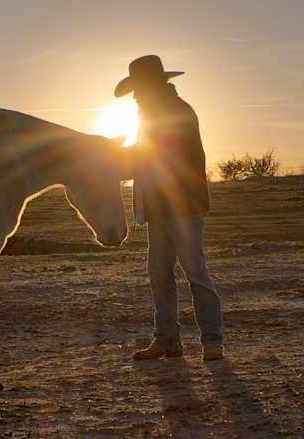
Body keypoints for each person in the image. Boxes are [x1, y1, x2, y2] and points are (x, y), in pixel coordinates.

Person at [115, 55, 225, 361]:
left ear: (153, 86)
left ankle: (212, 341)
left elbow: (156, 156)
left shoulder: (176, 112)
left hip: (183, 207)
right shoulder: (153, 115)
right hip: (160, 208)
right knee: (159, 273)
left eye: (139, 88)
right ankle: (167, 340)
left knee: (194, 272)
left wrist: (117, 157)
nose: (135, 96)